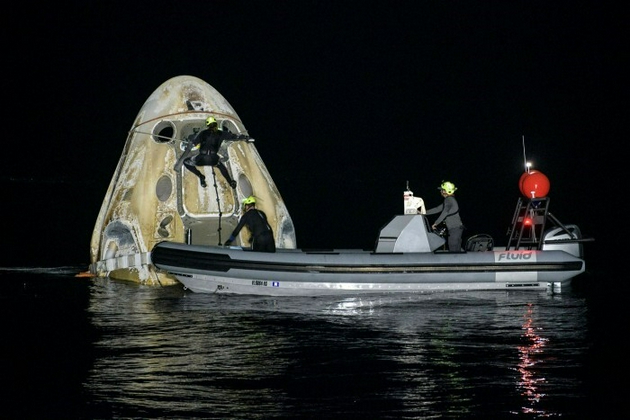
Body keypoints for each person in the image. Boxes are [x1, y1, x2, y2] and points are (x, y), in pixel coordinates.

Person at [182, 116, 245, 188]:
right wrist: (245, 137)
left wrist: (188, 144)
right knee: (221, 167)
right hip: (213, 160)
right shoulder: (222, 133)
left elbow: (194, 143)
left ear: (207, 125)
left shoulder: (203, 133)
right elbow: (234, 137)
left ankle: (201, 176)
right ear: (216, 124)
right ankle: (231, 182)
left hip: (201, 159)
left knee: (186, 162)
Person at [422, 181, 464, 252]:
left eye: (442, 190)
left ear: (445, 191)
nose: (440, 191)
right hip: (456, 229)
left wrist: (436, 223)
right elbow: (437, 209)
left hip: (455, 229)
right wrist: (423, 213)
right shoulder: (450, 200)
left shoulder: (449, 199)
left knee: (453, 250)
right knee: (456, 250)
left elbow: (445, 212)